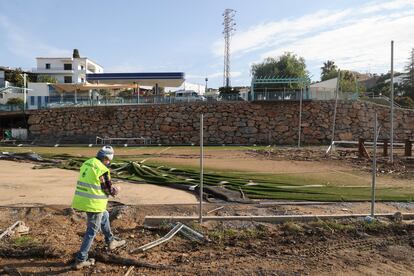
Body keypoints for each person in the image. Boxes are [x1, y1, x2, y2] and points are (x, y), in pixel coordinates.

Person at [72, 145, 126, 269]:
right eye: (109, 160)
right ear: (106, 158)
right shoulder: (102, 169)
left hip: (83, 200)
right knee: (92, 232)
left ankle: (111, 241)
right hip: (93, 204)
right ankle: (80, 260)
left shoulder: (87, 163)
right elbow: (108, 190)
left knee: (105, 215)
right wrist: (116, 189)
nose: (109, 163)